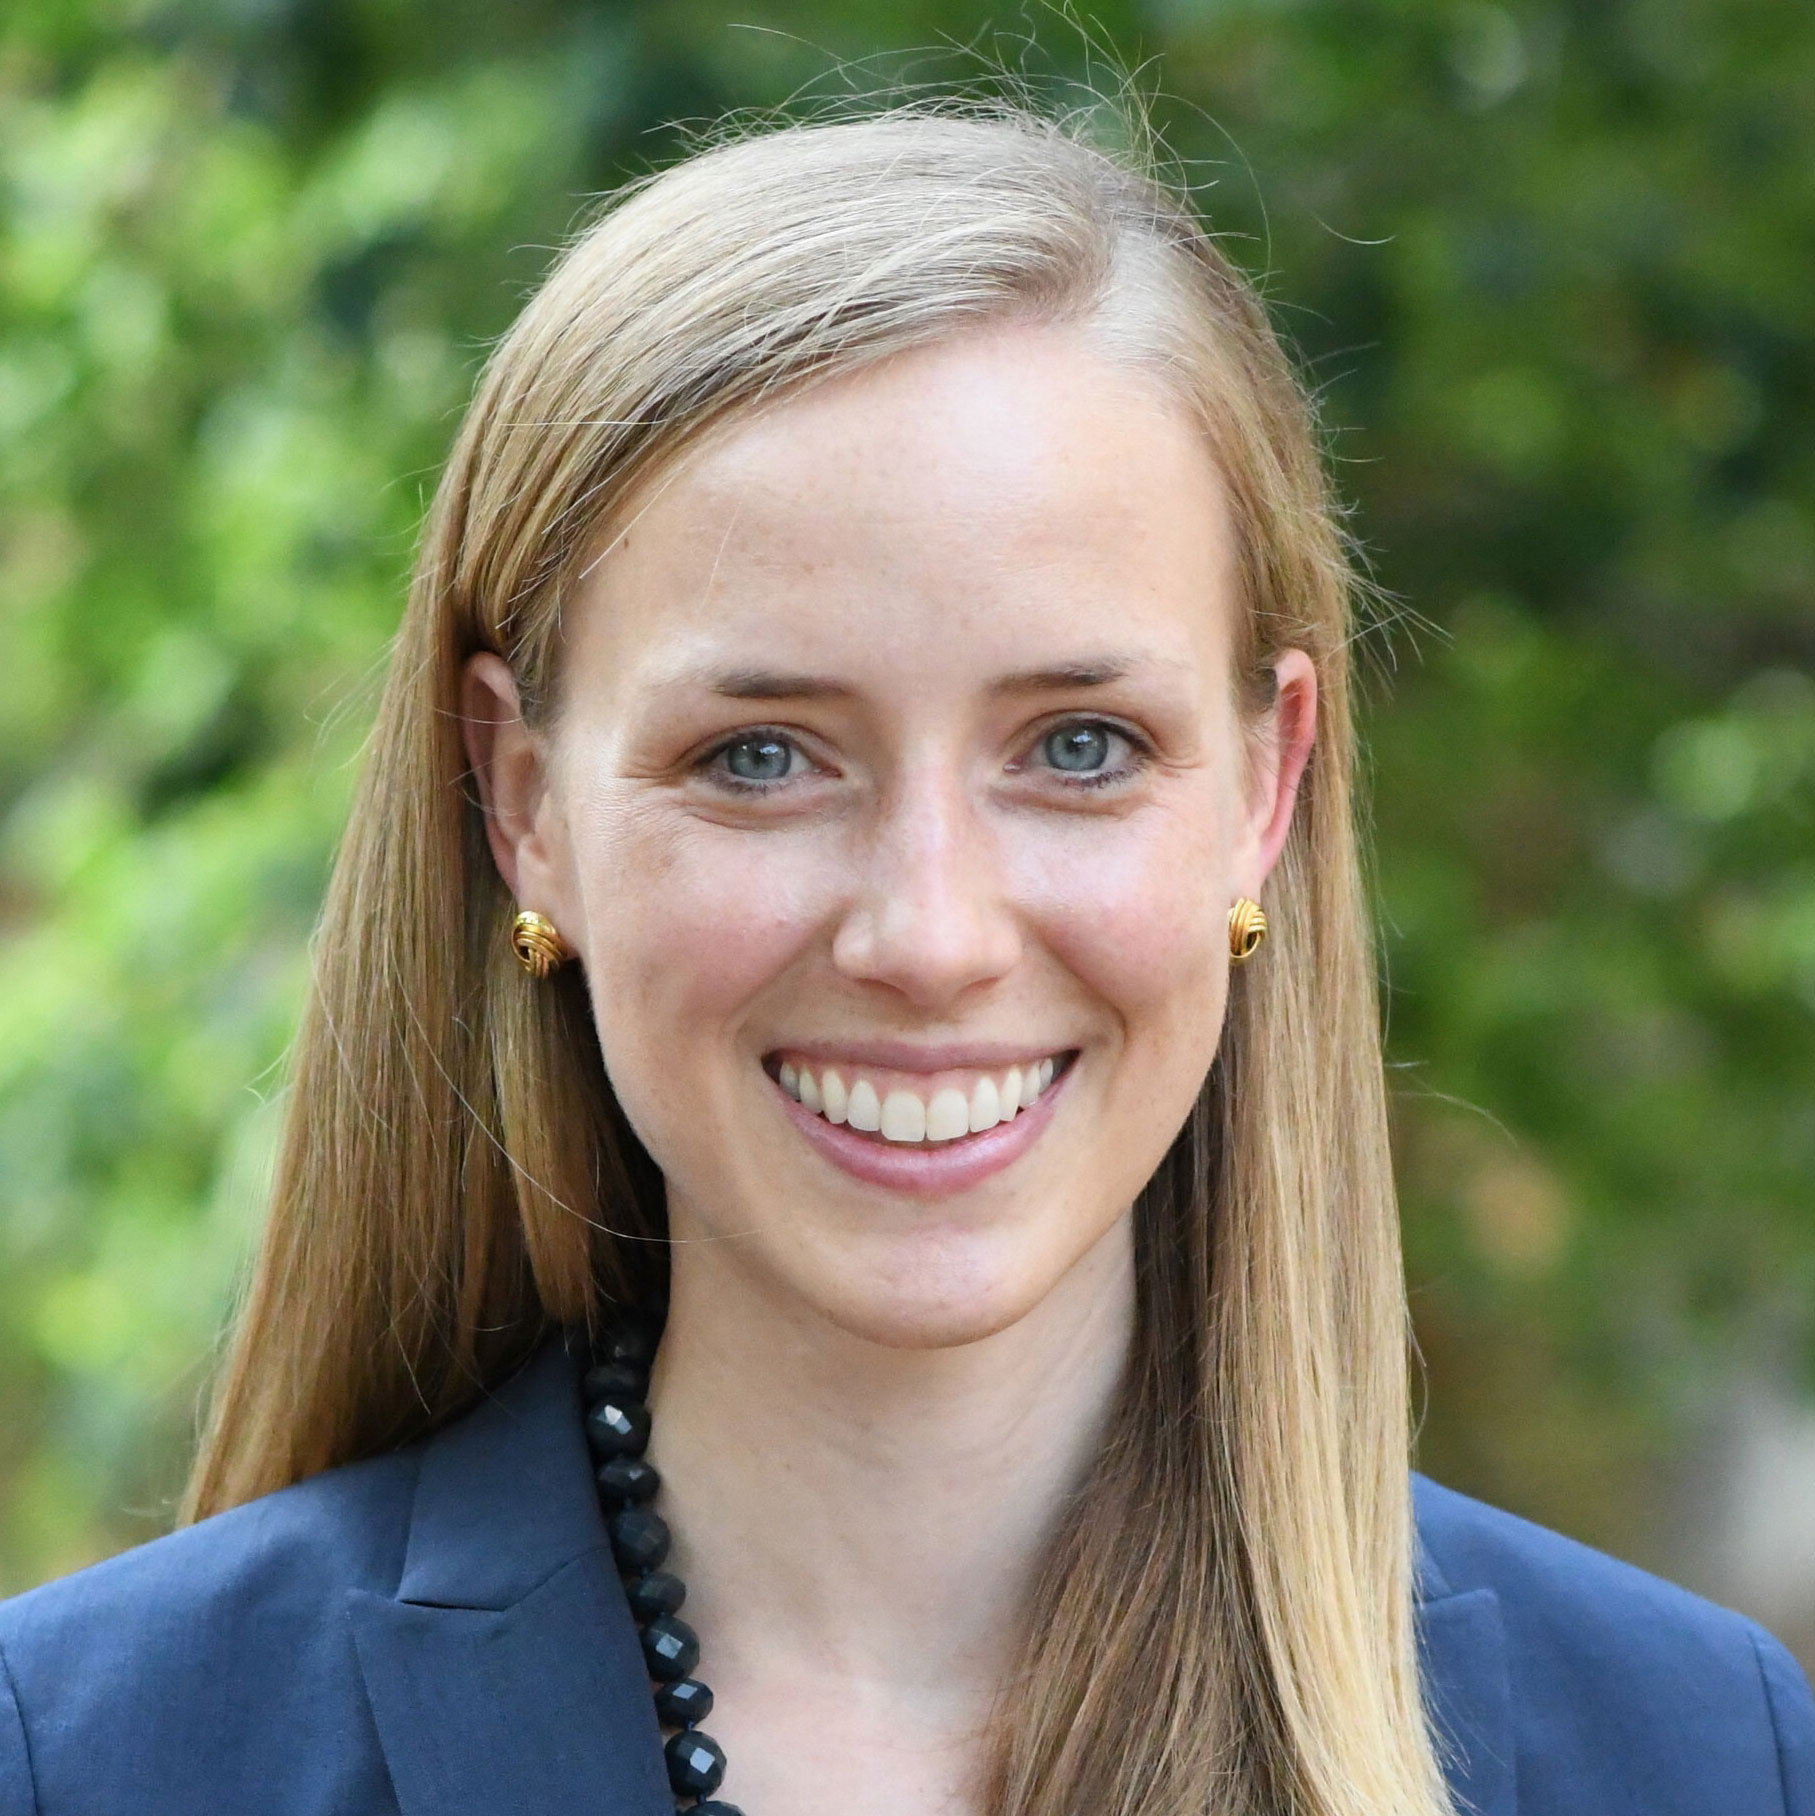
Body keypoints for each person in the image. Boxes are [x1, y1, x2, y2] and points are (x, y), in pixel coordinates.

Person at [0, 103, 1809, 1816]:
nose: (931, 937)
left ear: (1265, 788)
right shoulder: (95, 1755)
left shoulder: (1696, 1757)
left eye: (1079, 746)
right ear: (523, 803)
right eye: (762, 758)